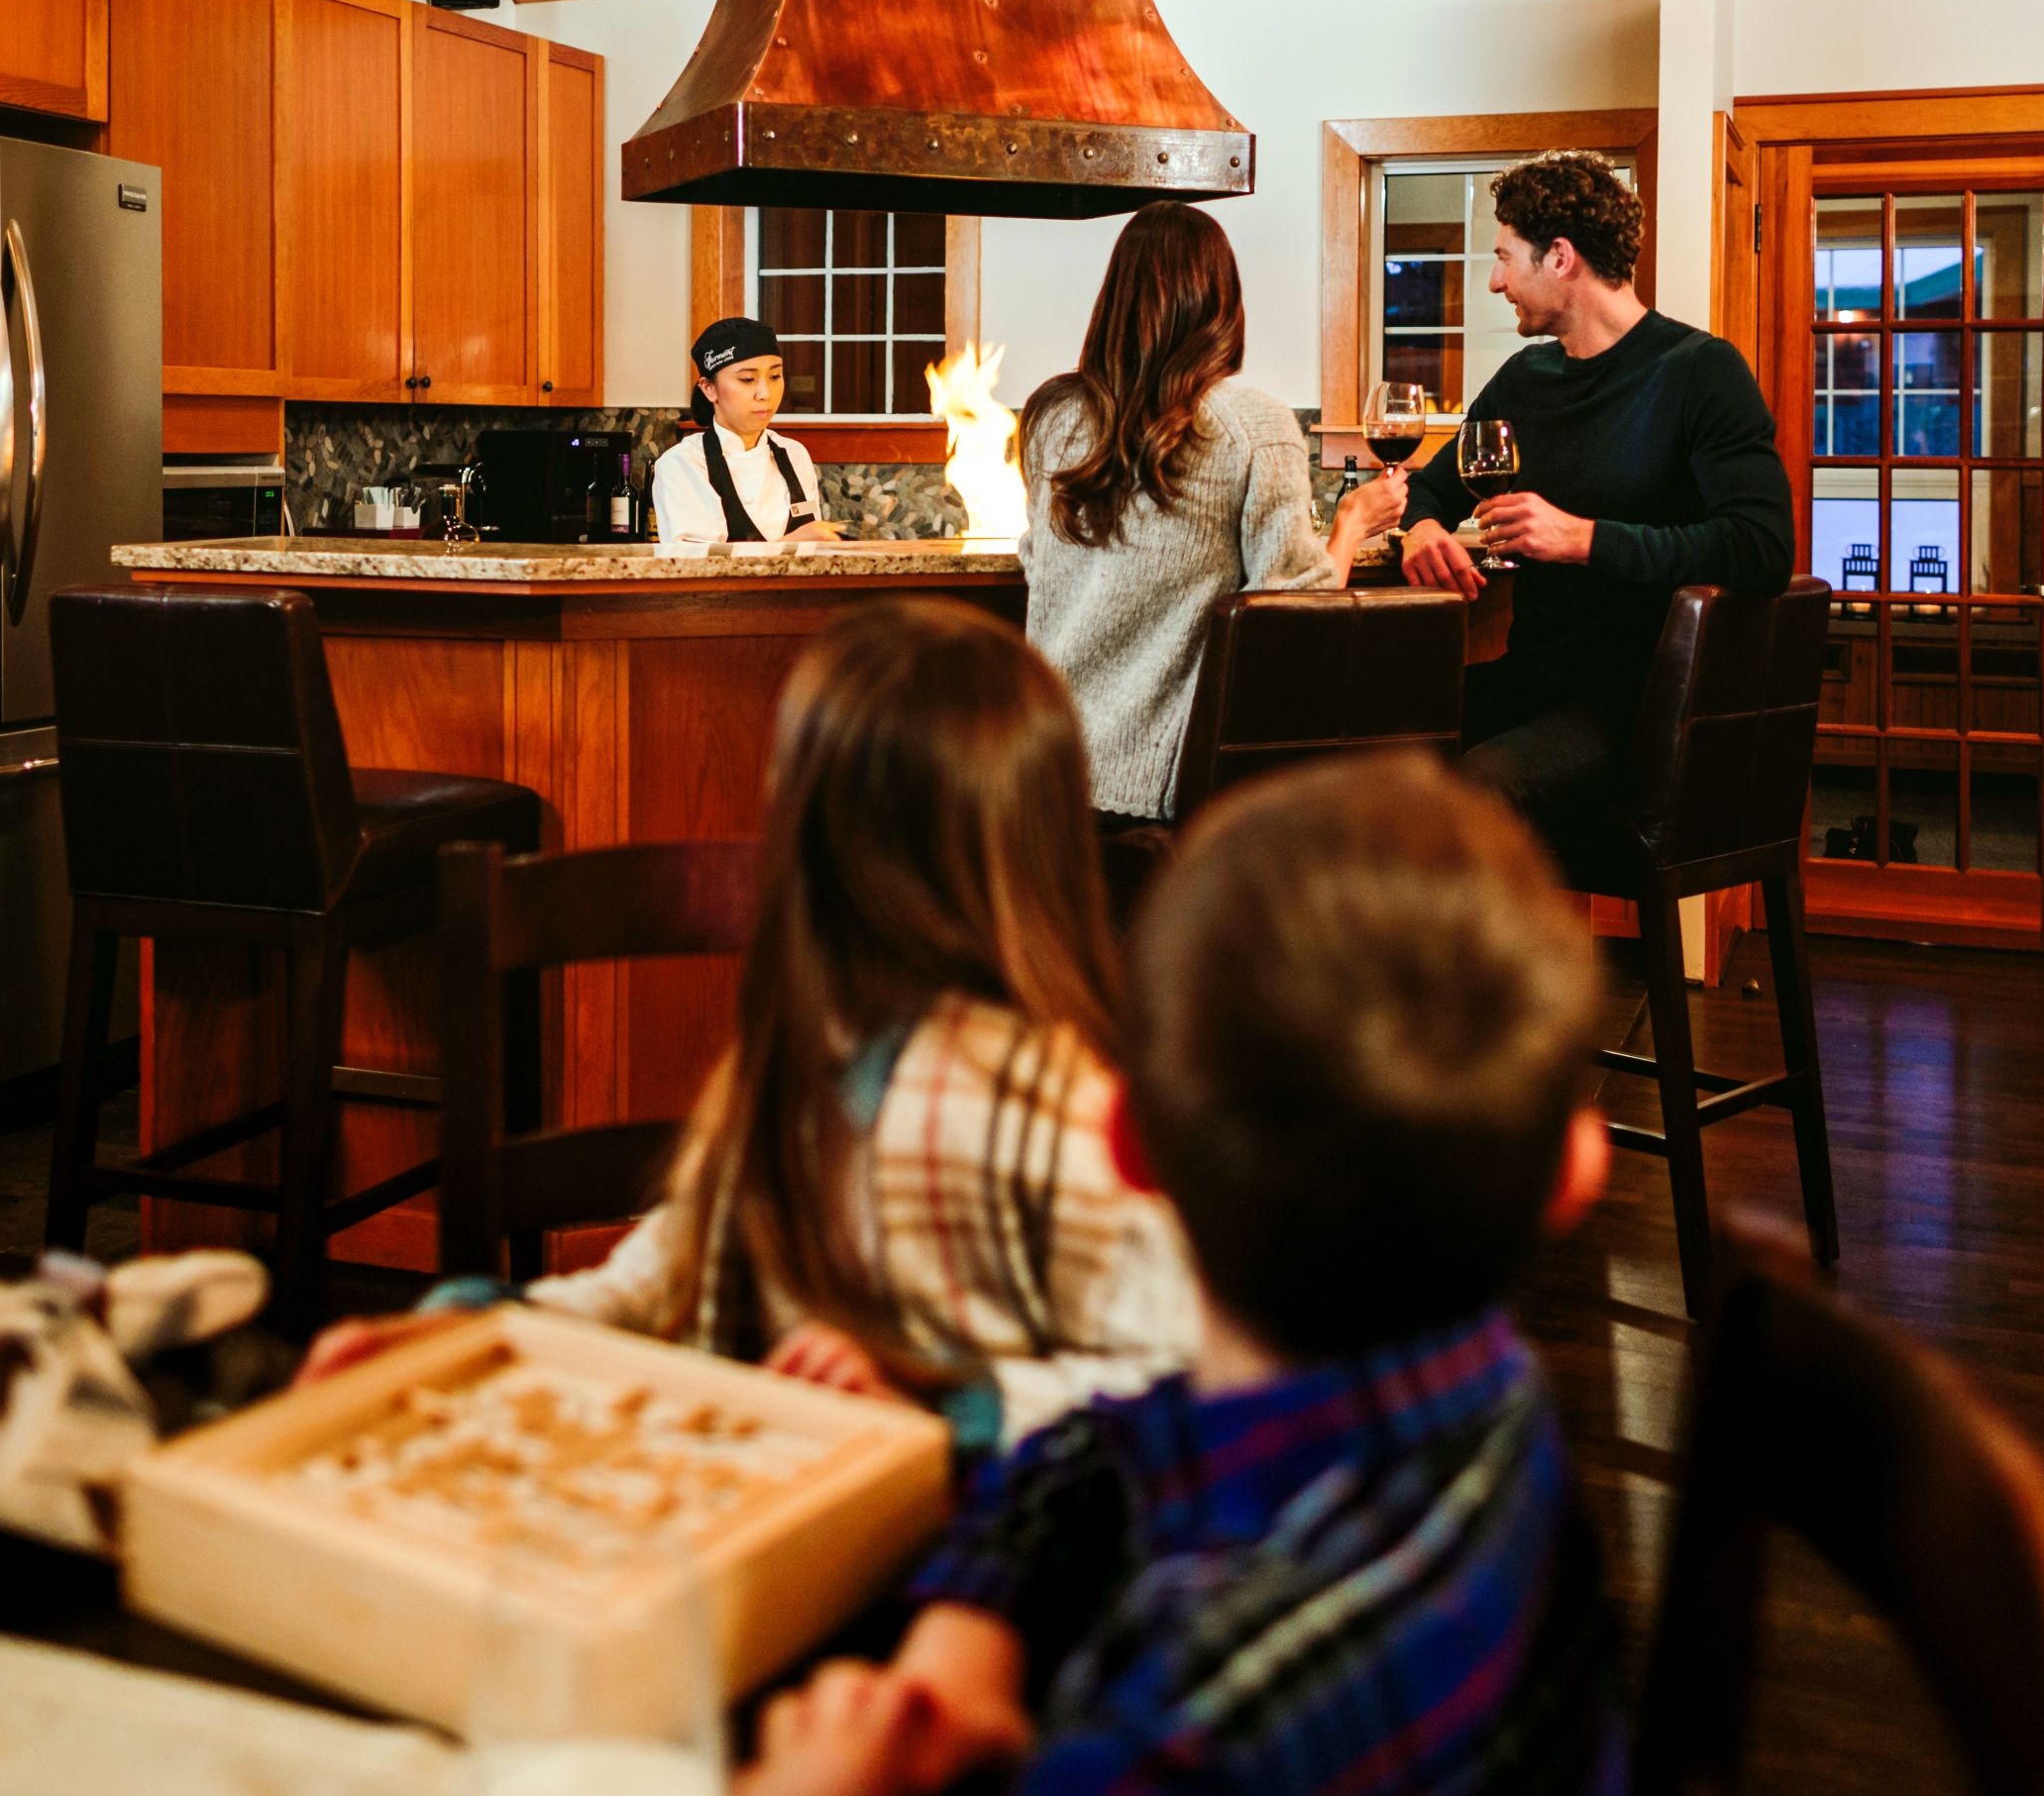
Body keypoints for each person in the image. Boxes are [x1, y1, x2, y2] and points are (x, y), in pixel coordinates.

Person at [738, 751, 1627, 1796]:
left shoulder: (1184, 1740)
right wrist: (968, 1629)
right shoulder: (1486, 1398)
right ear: (1578, 1169)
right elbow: (1107, 1444)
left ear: (1128, 1148)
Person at [300, 598, 1206, 1454]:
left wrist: (951, 1407)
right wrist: (480, 1329)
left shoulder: (1058, 1111)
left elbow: (1184, 1375)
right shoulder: (806, 1055)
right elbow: (664, 1280)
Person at [1400, 150, 1793, 862]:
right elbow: (1430, 485)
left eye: (1503, 258)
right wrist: (1422, 528)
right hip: (1531, 682)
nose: (1494, 282)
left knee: (1479, 791)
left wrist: (1584, 538)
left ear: (1559, 257)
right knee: (1357, 744)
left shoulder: (1700, 372)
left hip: (1639, 705)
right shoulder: (1525, 380)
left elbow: (1760, 548)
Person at [1020, 202, 1407, 824]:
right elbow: (1295, 611)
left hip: (1042, 773)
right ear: (1223, 302)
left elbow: (1039, 564)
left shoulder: (1051, 417)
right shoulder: (1254, 425)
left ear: (1114, 299)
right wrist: (1353, 523)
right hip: (1157, 798)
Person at [650, 317, 849, 545]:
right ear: (709, 388)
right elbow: (699, 564)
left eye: (775, 376)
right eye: (747, 379)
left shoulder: (795, 454)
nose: (765, 393)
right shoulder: (682, 465)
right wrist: (791, 543)